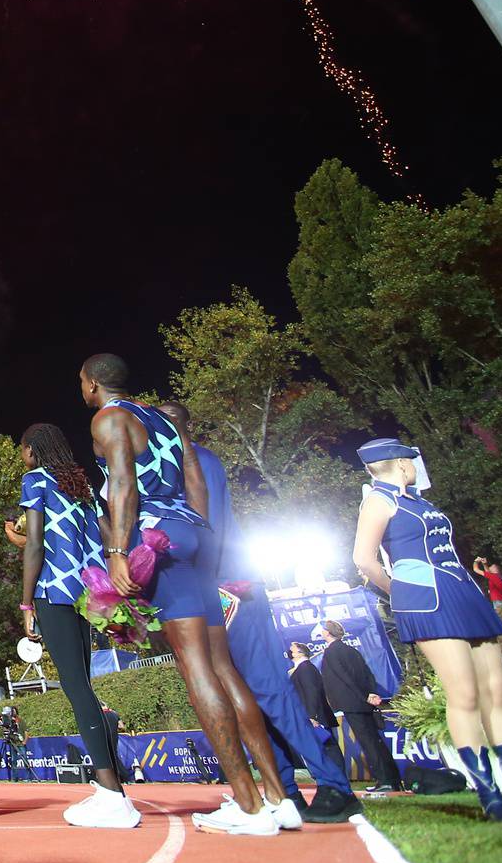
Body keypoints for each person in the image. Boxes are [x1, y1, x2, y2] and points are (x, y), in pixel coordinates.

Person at [79, 353, 285, 837]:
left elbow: (123, 486)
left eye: (82, 383)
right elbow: (194, 480)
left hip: (157, 538)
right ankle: (278, 797)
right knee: (221, 665)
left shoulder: (109, 418)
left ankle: (249, 806)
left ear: (91, 385)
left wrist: (117, 551)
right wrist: (202, 537)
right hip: (192, 533)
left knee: (195, 667)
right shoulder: (161, 418)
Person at [156, 402, 359, 825]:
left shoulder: (193, 462)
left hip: (229, 588)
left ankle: (335, 785)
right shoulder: (188, 463)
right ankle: (283, 789)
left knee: (267, 690)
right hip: (220, 587)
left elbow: (201, 527)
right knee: (242, 695)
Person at [352, 438, 502, 821]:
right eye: (410, 460)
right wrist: (400, 591)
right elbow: (364, 558)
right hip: (427, 599)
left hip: (460, 590)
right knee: (464, 694)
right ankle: (489, 795)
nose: (415, 465)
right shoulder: (378, 500)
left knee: (495, 693)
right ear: (399, 464)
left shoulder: (418, 500)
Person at [15, 422, 137, 828]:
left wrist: (26, 600)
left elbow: (35, 544)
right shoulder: (77, 480)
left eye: (22, 449)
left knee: (75, 686)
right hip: (88, 589)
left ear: (33, 450)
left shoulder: (34, 480)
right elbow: (99, 533)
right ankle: (109, 755)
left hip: (54, 590)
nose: (21, 456)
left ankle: (111, 792)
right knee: (82, 680)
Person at [316, 619, 404, 793]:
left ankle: (386, 781)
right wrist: (370, 694)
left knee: (369, 743)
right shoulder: (351, 650)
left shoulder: (332, 652)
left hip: (353, 702)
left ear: (327, 632)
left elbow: (345, 677)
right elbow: (367, 673)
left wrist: (364, 696)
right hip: (363, 701)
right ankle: (392, 780)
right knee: (375, 742)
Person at [284, 643, 347, 775]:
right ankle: (330, 775)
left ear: (300, 653)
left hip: (316, 716)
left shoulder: (306, 668)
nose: (289, 652)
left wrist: (312, 716)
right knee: (321, 747)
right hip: (309, 715)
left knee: (328, 747)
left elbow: (312, 692)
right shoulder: (300, 669)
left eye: (292, 650)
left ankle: (338, 775)